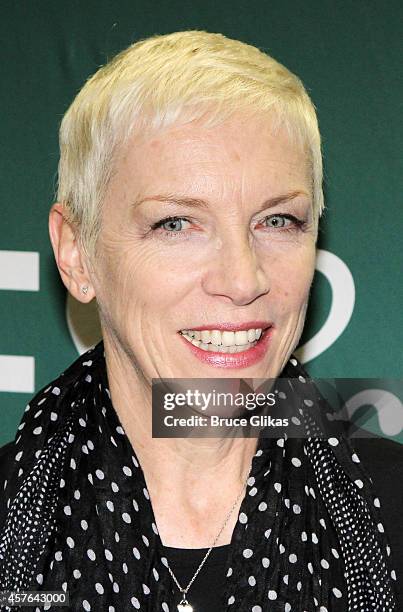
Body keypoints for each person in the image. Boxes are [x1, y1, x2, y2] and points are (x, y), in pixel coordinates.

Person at [0, 30, 402, 612]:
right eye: (176, 224)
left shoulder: (389, 512)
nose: (243, 281)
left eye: (279, 221)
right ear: (76, 253)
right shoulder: (14, 523)